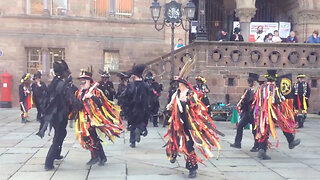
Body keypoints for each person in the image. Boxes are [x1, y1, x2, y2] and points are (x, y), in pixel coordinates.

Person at [165, 58, 221, 178]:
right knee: (174, 140)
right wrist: (169, 107)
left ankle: (192, 169)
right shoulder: (176, 94)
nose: (177, 85)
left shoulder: (191, 94)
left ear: (183, 84)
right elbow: (170, 105)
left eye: (179, 83)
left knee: (189, 145)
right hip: (176, 124)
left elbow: (197, 106)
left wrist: (188, 102)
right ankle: (173, 154)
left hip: (189, 124)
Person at [37, 60, 81, 171]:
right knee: (58, 136)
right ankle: (48, 163)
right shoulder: (62, 84)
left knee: (62, 133)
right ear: (63, 73)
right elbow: (71, 98)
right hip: (59, 116)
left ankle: (56, 154)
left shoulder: (56, 81)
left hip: (56, 115)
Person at [74, 68, 124, 166]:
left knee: (92, 138)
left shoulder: (96, 91)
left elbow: (101, 104)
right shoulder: (79, 92)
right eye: (81, 81)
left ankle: (98, 157)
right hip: (82, 119)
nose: (82, 83)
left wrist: (91, 96)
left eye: (84, 81)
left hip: (93, 119)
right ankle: (98, 157)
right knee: (88, 139)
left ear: (89, 81)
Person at [252, 70, 301, 160]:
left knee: (265, 130)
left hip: (263, 112)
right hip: (273, 111)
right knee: (284, 124)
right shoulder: (274, 88)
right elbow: (279, 99)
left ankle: (262, 150)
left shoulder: (261, 87)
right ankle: (291, 141)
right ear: (274, 79)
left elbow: (256, 99)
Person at [120, 64, 150, 148]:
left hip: (132, 108)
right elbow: (149, 98)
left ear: (135, 75)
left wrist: (125, 107)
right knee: (141, 122)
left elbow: (125, 96)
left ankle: (132, 141)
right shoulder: (145, 85)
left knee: (132, 124)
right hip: (143, 108)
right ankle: (142, 130)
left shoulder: (131, 85)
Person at [230, 73, 259, 152]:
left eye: (250, 81)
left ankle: (257, 145)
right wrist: (242, 101)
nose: (249, 83)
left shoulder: (258, 90)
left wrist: (246, 99)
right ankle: (237, 143)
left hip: (254, 113)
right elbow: (245, 102)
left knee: (255, 130)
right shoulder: (247, 90)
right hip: (247, 112)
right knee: (240, 126)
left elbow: (254, 101)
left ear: (254, 82)